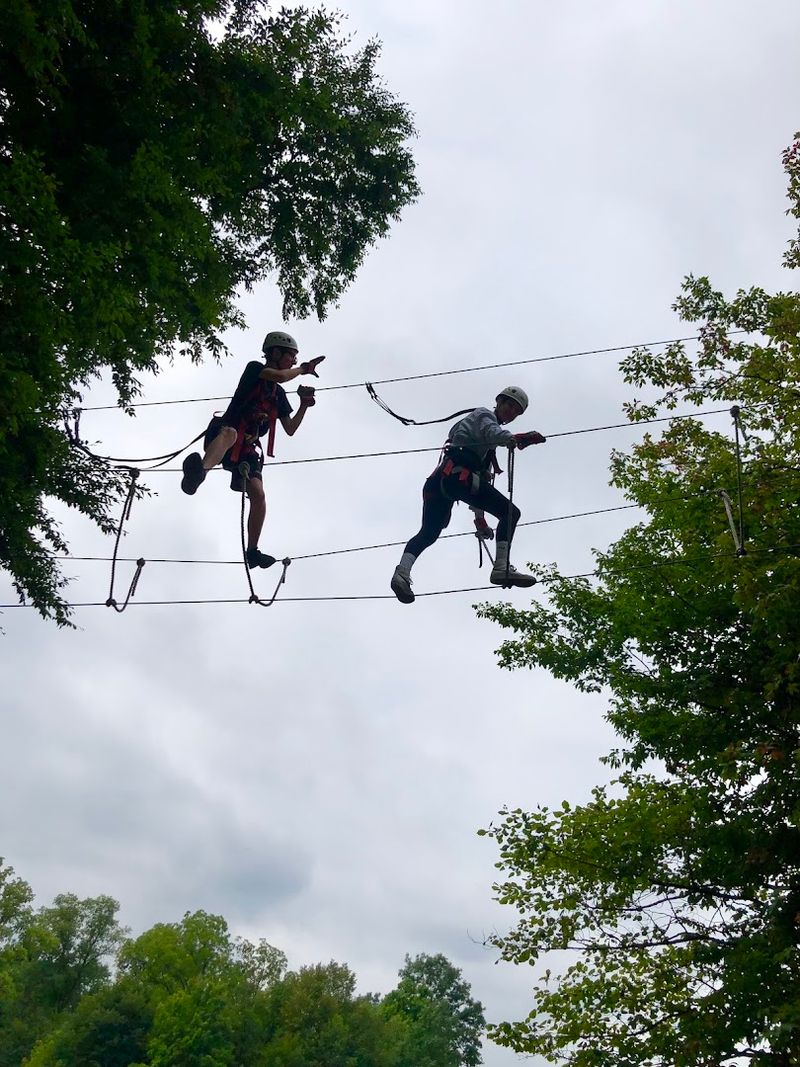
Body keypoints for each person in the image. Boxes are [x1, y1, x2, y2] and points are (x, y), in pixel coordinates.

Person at [181, 330, 325, 569]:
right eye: (291, 356)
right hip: (225, 435)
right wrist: (303, 370)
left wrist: (303, 406)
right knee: (231, 433)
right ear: (275, 352)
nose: (294, 361)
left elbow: (289, 428)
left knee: (259, 495)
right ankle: (200, 473)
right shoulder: (255, 369)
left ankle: (253, 551)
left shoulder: (277, 396)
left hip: (248, 451)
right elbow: (278, 376)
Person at [390, 386, 546, 603]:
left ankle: (401, 573)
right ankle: (501, 567)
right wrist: (514, 439)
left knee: (429, 532)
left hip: (444, 482)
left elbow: (479, 487)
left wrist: (480, 521)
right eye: (509, 405)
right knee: (510, 513)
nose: (510, 412)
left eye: (515, 411)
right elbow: (493, 432)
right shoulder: (483, 415)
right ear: (499, 402)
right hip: (456, 477)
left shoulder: (482, 445)